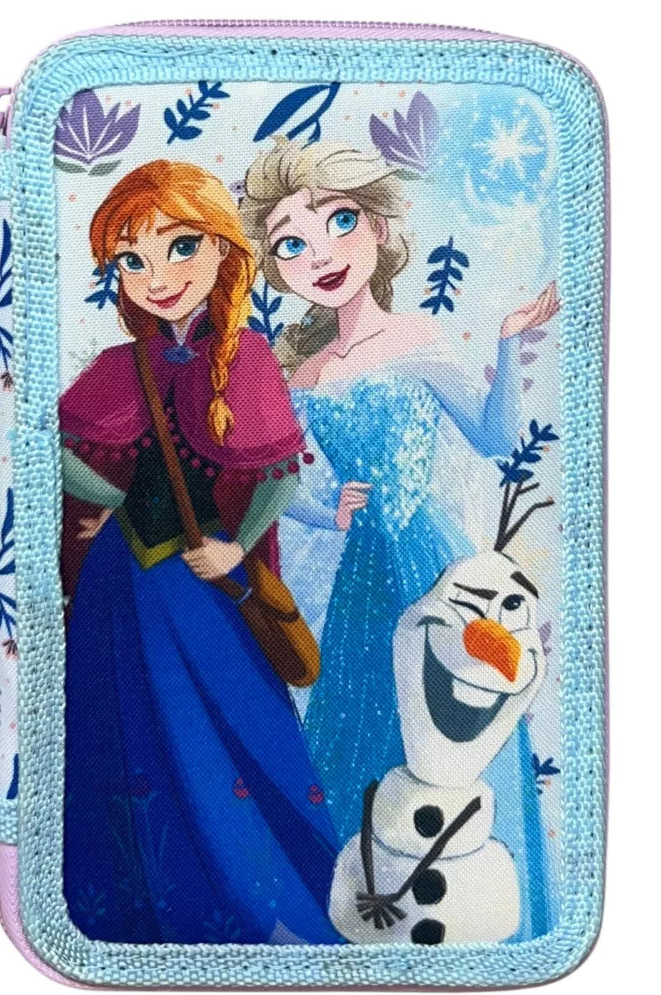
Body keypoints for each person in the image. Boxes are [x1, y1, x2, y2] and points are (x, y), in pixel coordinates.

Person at [241, 139, 560, 938]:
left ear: (379, 230)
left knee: (449, 708)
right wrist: (327, 510)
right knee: (359, 711)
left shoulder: (416, 340)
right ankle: (348, 909)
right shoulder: (300, 371)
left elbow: (494, 439)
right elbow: (275, 483)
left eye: (339, 222)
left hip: (430, 559)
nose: (318, 255)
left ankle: (472, 902)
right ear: (274, 267)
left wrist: (508, 343)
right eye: (290, 244)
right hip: (363, 573)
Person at [59, 160, 340, 945]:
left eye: (181, 247)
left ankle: (272, 903)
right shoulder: (121, 367)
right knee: (129, 729)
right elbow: (71, 457)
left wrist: (235, 549)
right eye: (132, 259)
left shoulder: (247, 357)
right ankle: (142, 904)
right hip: (125, 584)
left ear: (225, 250)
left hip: (205, 583)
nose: (158, 276)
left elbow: (279, 475)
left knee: (230, 728)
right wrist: (103, 488)